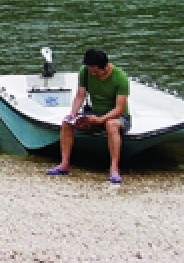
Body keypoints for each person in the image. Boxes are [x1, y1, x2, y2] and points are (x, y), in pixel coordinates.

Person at [47, 47, 131, 184]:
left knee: (111, 124)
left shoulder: (120, 77)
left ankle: (114, 168)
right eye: (91, 71)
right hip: (94, 112)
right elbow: (80, 96)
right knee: (67, 122)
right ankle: (64, 164)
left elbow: (119, 108)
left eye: (96, 71)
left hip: (117, 116)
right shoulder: (85, 72)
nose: (93, 74)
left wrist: (100, 120)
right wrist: (73, 114)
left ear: (105, 67)